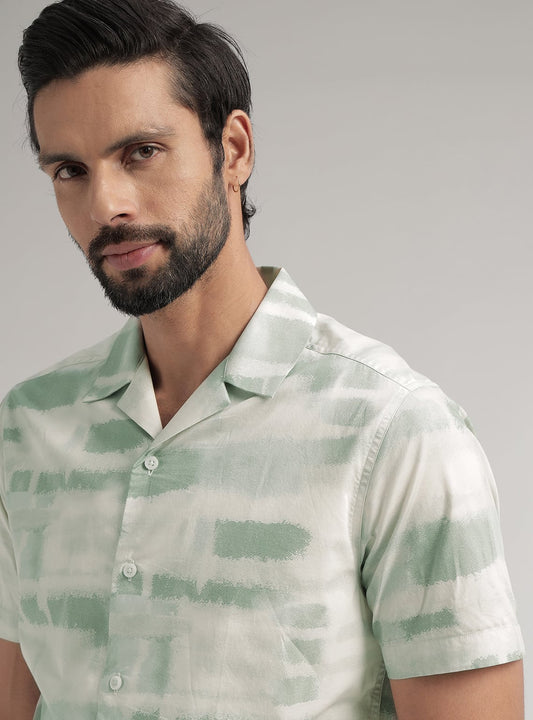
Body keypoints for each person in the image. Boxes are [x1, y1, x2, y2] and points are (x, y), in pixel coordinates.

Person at [0, 0, 524, 718]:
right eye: (69, 170)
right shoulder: (28, 428)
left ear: (234, 150)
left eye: (141, 152)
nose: (105, 205)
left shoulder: (396, 433)